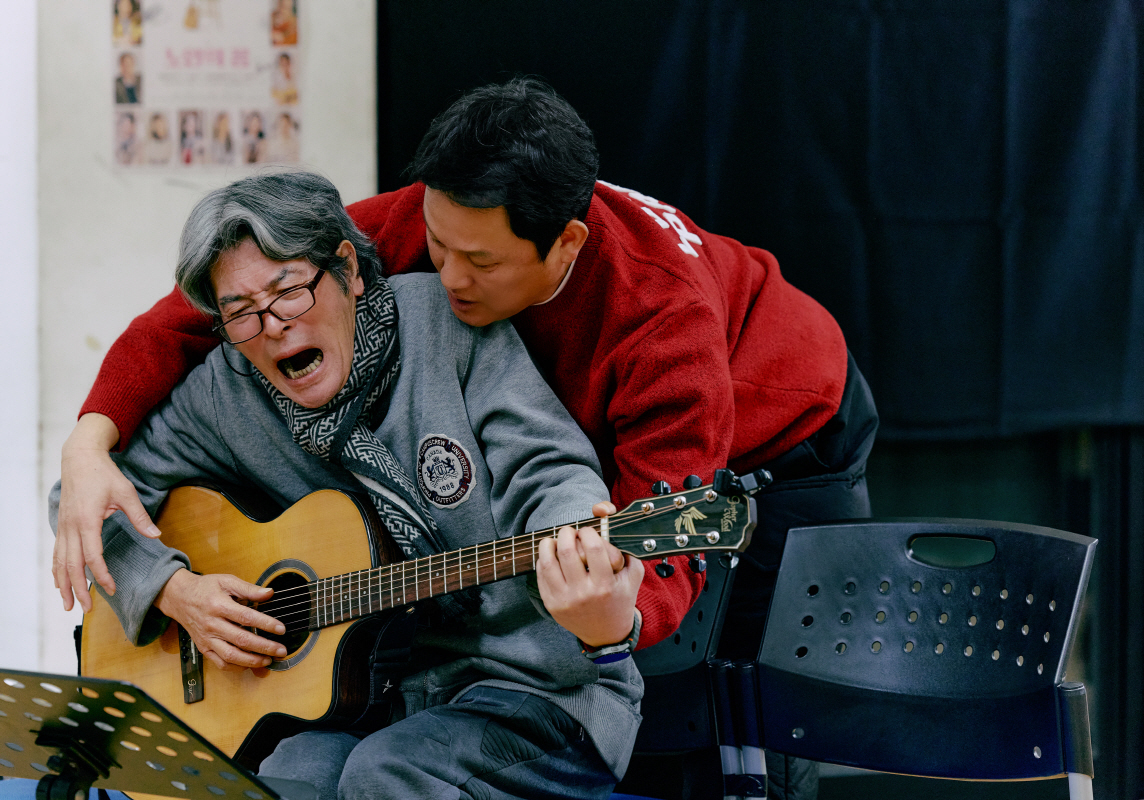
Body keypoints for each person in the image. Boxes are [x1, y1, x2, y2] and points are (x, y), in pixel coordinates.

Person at [58, 79, 877, 797]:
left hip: (784, 435)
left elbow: (644, 530)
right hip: (482, 589)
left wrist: (615, 611)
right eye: (436, 246)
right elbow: (197, 309)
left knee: (747, 711)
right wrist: (89, 447)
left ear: (564, 243)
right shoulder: (438, 229)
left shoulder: (663, 323)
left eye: (475, 262)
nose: (444, 278)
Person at [44, 172, 645, 800]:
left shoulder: (446, 327)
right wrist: (174, 589)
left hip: (540, 690)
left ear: (349, 270)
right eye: (240, 314)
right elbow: (85, 497)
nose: (271, 326)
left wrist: (583, 546)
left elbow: (545, 470)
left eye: (290, 292)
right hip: (385, 699)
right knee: (287, 778)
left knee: (384, 774)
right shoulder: (229, 392)